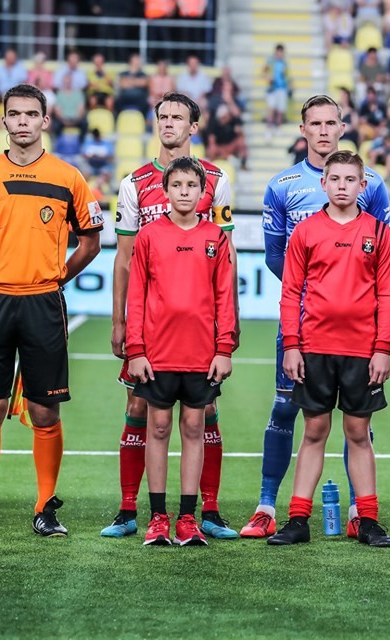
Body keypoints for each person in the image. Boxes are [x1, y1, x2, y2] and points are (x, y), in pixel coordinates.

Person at [242, 94, 390, 539]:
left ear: (342, 127)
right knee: (289, 410)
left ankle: (358, 512)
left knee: (356, 426)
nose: (323, 130)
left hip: (358, 337)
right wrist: (310, 306)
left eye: (331, 123)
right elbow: (277, 260)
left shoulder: (374, 185)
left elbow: (378, 259)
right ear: (302, 129)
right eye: (315, 123)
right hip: (303, 331)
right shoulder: (282, 184)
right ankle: (269, 505)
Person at [104, 92, 239, 541]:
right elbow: (125, 260)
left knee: (203, 412)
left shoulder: (216, 180)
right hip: (152, 328)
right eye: (162, 117)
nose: (168, 124)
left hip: (199, 331)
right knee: (140, 406)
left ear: (193, 126)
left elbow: (226, 257)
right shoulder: (135, 181)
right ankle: (130, 510)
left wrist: (227, 337)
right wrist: (121, 322)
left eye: (178, 117)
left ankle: (208, 511)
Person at [0, 83, 103, 537]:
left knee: (45, 412)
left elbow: (91, 239)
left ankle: (45, 506)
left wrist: (58, 276)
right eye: (15, 114)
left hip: (42, 303)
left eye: (32, 114)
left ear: (45, 121)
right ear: (5, 121)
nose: (24, 122)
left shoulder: (69, 176)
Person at [266, 151, 390, 548]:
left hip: (361, 350)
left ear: (363, 185)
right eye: (335, 178)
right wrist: (292, 345)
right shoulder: (306, 232)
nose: (342, 186)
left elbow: (388, 294)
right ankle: (298, 518)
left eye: (350, 179)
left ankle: (368, 519)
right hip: (314, 347)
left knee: (358, 432)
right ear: (323, 183)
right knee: (315, 429)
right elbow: (290, 292)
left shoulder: (378, 232)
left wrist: (383, 348)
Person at [125, 157, 236, 547]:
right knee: (157, 428)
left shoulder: (215, 238)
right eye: (178, 185)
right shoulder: (149, 236)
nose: (185, 192)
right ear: (166, 191)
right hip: (156, 354)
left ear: (203, 192)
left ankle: (188, 518)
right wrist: (135, 349)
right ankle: (158, 518)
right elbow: (136, 295)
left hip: (202, 355)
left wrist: (225, 348)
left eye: (192, 185)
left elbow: (226, 296)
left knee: (194, 428)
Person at [264, 44, 290, 140]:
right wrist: (269, 78)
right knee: (271, 109)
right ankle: (269, 129)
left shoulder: (284, 63)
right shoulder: (270, 61)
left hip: (282, 88)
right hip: (272, 88)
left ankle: (277, 127)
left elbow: (287, 76)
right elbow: (263, 72)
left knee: (280, 109)